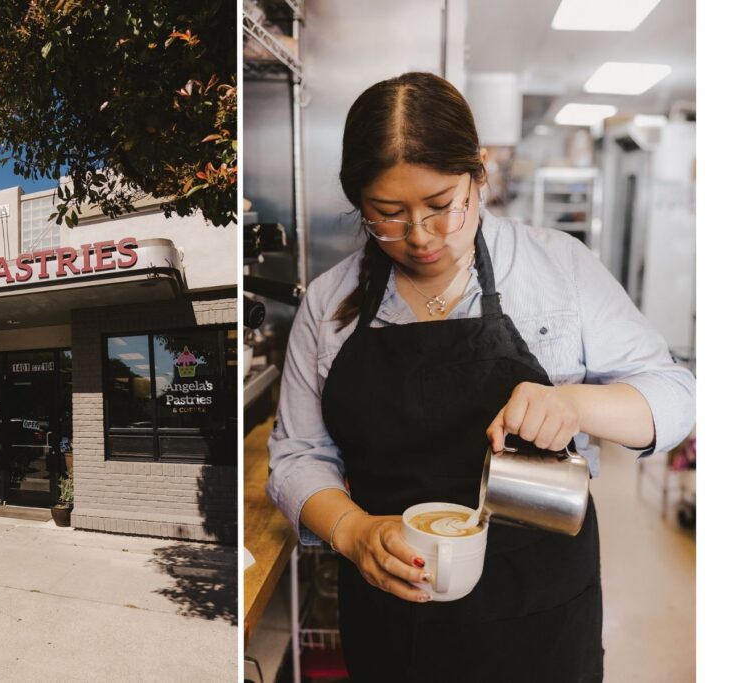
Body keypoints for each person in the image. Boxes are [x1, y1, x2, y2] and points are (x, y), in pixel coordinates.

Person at [266, 72, 695, 681]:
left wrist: (576, 405)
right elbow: (295, 456)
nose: (419, 237)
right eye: (386, 215)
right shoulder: (328, 304)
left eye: (442, 206)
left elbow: (676, 396)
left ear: (480, 174)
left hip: (541, 616)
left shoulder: (558, 269)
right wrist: (353, 530)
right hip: (393, 617)